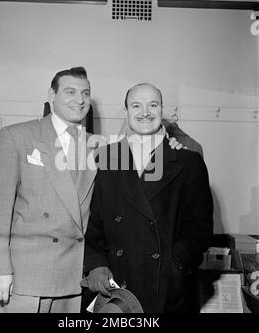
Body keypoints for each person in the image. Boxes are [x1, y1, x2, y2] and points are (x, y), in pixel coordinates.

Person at [82, 83, 214, 313]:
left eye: (153, 105)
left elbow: (199, 229)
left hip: (166, 290)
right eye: (136, 105)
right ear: (126, 111)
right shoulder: (104, 157)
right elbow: (93, 221)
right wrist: (96, 264)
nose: (145, 112)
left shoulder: (188, 161)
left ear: (161, 110)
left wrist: (175, 267)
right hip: (115, 286)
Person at [0, 67, 97, 313]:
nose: (79, 100)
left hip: (74, 275)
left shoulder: (97, 147)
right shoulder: (17, 136)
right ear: (51, 94)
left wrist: (168, 140)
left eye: (85, 93)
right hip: (26, 276)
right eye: (70, 92)